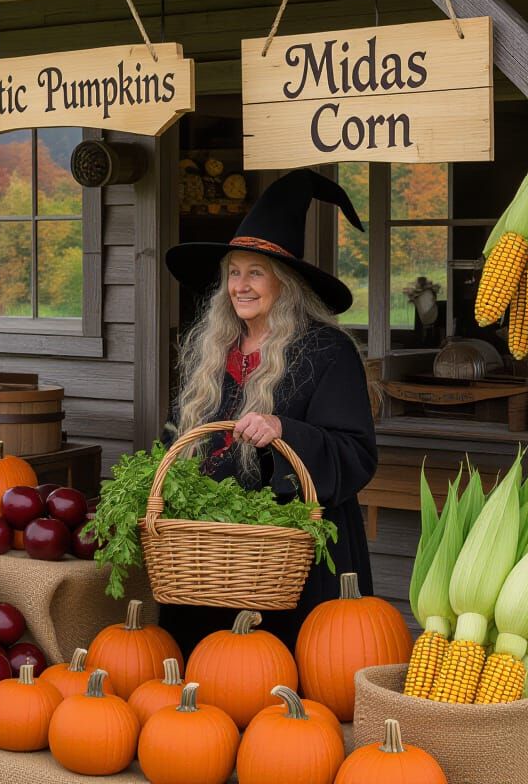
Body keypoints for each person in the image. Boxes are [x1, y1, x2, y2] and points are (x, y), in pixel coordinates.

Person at [160, 168, 378, 656]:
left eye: (255, 272)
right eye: (234, 272)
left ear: (286, 282)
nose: (240, 285)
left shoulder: (327, 351)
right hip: (213, 557)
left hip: (293, 558)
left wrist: (285, 431)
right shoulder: (213, 351)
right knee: (205, 672)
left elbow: (356, 454)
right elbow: (177, 437)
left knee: (283, 679)